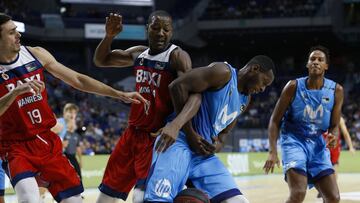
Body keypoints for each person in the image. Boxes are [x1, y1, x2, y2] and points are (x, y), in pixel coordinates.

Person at [0, 13, 146, 203]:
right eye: (11, 32)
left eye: (16, 30)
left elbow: (77, 79)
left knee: (74, 201)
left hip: (46, 141)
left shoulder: (35, 54)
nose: (18, 35)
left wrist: (118, 94)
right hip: (15, 146)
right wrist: (14, 93)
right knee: (29, 198)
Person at [93, 11, 200, 203]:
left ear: (172, 32)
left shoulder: (177, 57)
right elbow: (101, 60)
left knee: (141, 197)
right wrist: (109, 36)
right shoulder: (138, 53)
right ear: (147, 29)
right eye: (156, 27)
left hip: (156, 138)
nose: (161, 33)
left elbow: (194, 96)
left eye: (166, 29)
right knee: (104, 198)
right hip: (131, 135)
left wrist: (175, 125)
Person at [144, 56, 275, 202]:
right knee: (158, 198)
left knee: (238, 201)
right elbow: (177, 86)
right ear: (254, 69)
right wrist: (190, 133)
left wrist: (216, 146)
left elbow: (224, 133)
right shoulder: (223, 72)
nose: (263, 89)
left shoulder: (245, 99)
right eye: (264, 82)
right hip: (177, 141)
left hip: (202, 155)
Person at [263, 45, 343, 203]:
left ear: (326, 66)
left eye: (320, 60)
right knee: (298, 193)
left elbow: (334, 125)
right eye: (312, 59)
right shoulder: (292, 86)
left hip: (318, 145)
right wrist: (273, 151)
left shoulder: (336, 90)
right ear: (307, 64)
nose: (316, 62)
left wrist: (333, 135)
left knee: (334, 197)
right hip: (294, 142)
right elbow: (274, 120)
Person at [317, 116, 356, 198]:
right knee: (327, 168)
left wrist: (351, 146)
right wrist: (350, 147)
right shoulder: (326, 116)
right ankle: (327, 188)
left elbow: (345, 133)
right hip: (326, 145)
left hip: (331, 146)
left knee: (331, 167)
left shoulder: (335, 118)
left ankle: (330, 188)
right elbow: (345, 133)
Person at [62, 103, 83, 182]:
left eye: (74, 113)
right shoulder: (61, 126)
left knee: (78, 176)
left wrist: (81, 161)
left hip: (72, 157)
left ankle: (79, 193)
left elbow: (78, 148)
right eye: (71, 112)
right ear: (65, 113)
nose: (73, 115)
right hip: (63, 156)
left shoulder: (75, 134)